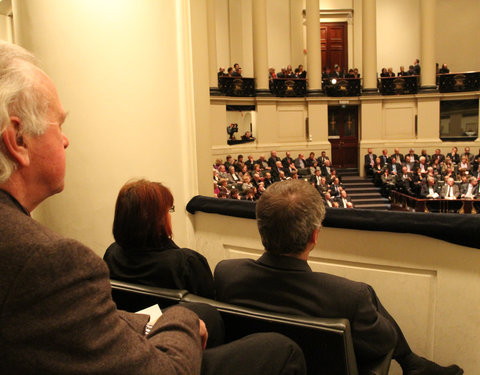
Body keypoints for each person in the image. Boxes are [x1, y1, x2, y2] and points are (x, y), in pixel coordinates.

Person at [0, 41, 306, 375]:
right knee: (279, 348)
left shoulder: (109, 255)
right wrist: (180, 316)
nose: (66, 140)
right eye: (59, 125)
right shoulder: (49, 261)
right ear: (18, 140)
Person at [214, 180, 463, 375]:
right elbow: (385, 343)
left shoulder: (226, 273)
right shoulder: (348, 297)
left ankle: (415, 365)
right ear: (314, 236)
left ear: (261, 229)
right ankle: (413, 364)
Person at [104, 180, 215, 298]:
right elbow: (211, 310)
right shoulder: (187, 263)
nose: (170, 215)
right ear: (156, 219)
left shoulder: (111, 255)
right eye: (168, 210)